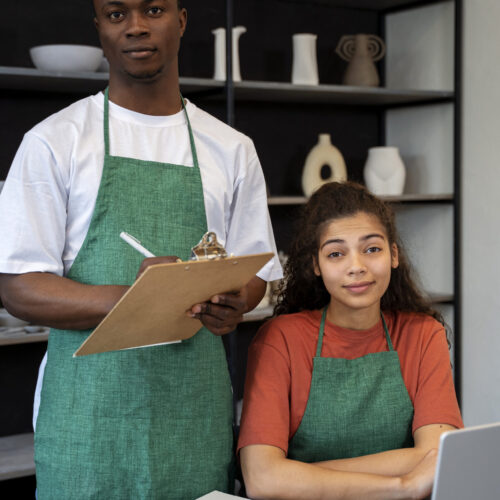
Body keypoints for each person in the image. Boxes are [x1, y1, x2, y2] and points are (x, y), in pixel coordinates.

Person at [0, 0, 281, 498]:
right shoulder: (54, 142)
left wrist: (235, 299)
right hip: (88, 416)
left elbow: (257, 271)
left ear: (182, 19)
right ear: (99, 28)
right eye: (116, 14)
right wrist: (147, 296)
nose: (135, 27)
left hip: (194, 410)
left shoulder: (232, 148)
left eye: (152, 9)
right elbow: (20, 289)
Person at [237, 181, 463, 500]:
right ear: (316, 265)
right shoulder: (281, 339)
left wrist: (302, 473)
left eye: (372, 249)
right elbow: (262, 479)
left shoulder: (424, 334)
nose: (356, 267)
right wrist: (403, 486)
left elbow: (438, 458)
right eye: (336, 253)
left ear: (393, 254)